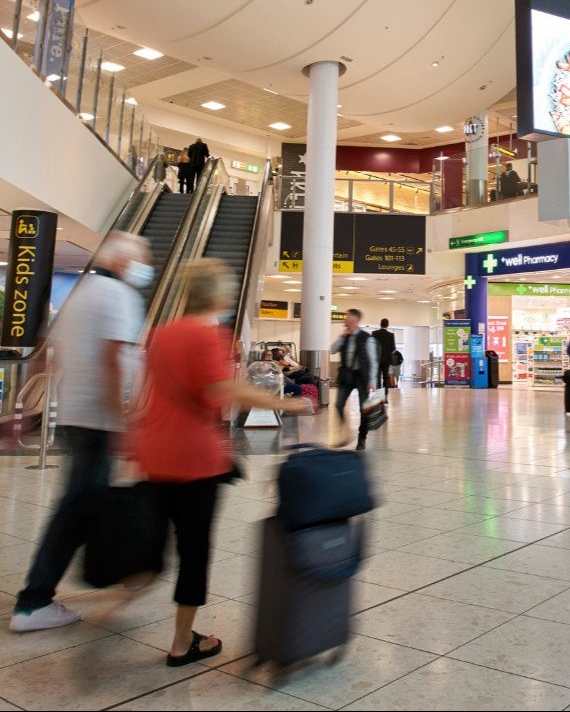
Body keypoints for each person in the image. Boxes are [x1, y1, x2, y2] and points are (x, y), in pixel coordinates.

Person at [132, 259, 310, 665]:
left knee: (157, 540)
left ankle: (120, 592)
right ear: (216, 295)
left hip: (155, 453)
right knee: (194, 551)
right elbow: (224, 388)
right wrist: (287, 403)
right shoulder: (207, 335)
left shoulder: (158, 335)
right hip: (193, 459)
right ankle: (182, 642)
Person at [10, 232, 151, 633]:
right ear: (123, 261)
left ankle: (111, 575)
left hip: (73, 413)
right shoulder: (118, 296)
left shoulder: (81, 292)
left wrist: (32, 412)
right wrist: (120, 420)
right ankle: (35, 599)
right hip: (98, 417)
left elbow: (46, 355)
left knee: (85, 500)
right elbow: (111, 361)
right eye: (141, 258)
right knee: (78, 505)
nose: (144, 267)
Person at [331, 309, 380, 450]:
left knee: (364, 410)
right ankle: (345, 430)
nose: (344, 320)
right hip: (346, 375)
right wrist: (341, 337)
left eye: (346, 317)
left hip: (361, 376)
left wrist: (372, 381)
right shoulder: (344, 337)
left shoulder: (367, 338)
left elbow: (373, 360)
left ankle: (362, 438)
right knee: (338, 405)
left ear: (354, 320)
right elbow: (333, 349)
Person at [371, 318, 397, 397]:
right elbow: (393, 349)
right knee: (386, 377)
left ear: (380, 324)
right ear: (387, 325)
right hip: (386, 360)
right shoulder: (390, 335)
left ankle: (379, 396)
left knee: (377, 377)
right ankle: (385, 396)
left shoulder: (374, 333)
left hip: (377, 360)